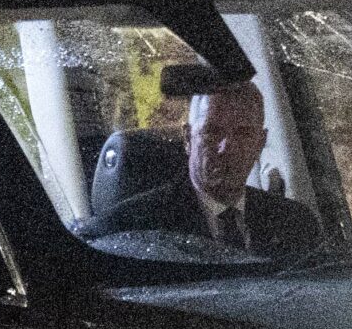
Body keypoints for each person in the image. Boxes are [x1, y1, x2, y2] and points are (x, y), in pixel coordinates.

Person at [83, 81, 322, 257]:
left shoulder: (295, 224)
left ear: (260, 142)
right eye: (212, 132)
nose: (226, 148)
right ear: (188, 139)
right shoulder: (129, 230)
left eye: (243, 134)